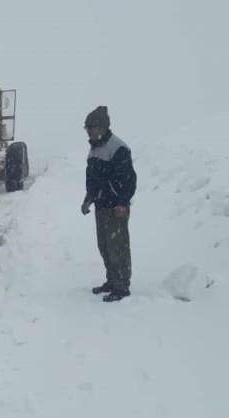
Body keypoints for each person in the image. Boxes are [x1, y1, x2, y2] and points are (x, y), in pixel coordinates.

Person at [80, 106, 137, 302]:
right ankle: (112, 280)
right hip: (101, 205)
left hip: (116, 207)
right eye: (86, 127)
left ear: (102, 127)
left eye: (91, 127)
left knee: (118, 246)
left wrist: (122, 202)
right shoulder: (95, 149)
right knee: (104, 245)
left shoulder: (118, 148)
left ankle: (122, 286)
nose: (88, 131)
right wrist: (88, 199)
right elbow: (92, 179)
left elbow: (128, 179)